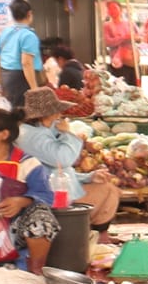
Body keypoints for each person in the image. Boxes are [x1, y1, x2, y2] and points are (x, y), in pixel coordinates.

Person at [0, 107, 61, 273]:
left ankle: (36, 273)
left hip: (9, 231)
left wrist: (21, 201)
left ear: (4, 135)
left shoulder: (26, 162)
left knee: (41, 216)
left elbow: (46, 195)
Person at [19, 89, 117, 235]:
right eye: (56, 112)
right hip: (48, 196)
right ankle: (91, 236)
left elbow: (58, 172)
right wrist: (68, 134)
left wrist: (88, 177)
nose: (59, 116)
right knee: (109, 192)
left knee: (107, 188)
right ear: (44, 115)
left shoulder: (40, 131)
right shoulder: (32, 137)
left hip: (58, 187)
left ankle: (93, 236)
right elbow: (62, 160)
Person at [0, 0, 42, 108]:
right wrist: (34, 89)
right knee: (24, 115)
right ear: (29, 14)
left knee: (12, 113)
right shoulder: (28, 35)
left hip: (6, 78)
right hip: (22, 80)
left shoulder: (4, 33)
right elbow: (26, 63)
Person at [102, 1, 137, 87]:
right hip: (118, 62)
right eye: (110, 9)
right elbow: (107, 42)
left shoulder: (130, 24)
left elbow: (140, 37)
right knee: (120, 87)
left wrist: (133, 37)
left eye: (114, 8)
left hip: (132, 60)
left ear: (120, 10)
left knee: (134, 88)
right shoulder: (107, 26)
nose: (112, 11)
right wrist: (123, 37)